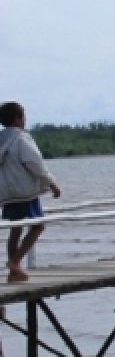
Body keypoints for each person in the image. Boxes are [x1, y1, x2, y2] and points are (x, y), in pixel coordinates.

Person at [0, 101, 61, 282]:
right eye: (23, 116)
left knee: (15, 229)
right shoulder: (21, 138)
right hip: (25, 191)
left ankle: (14, 271)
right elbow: (35, 164)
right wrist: (52, 183)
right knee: (38, 226)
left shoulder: (1, 139)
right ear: (18, 119)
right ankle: (15, 262)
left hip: (7, 193)